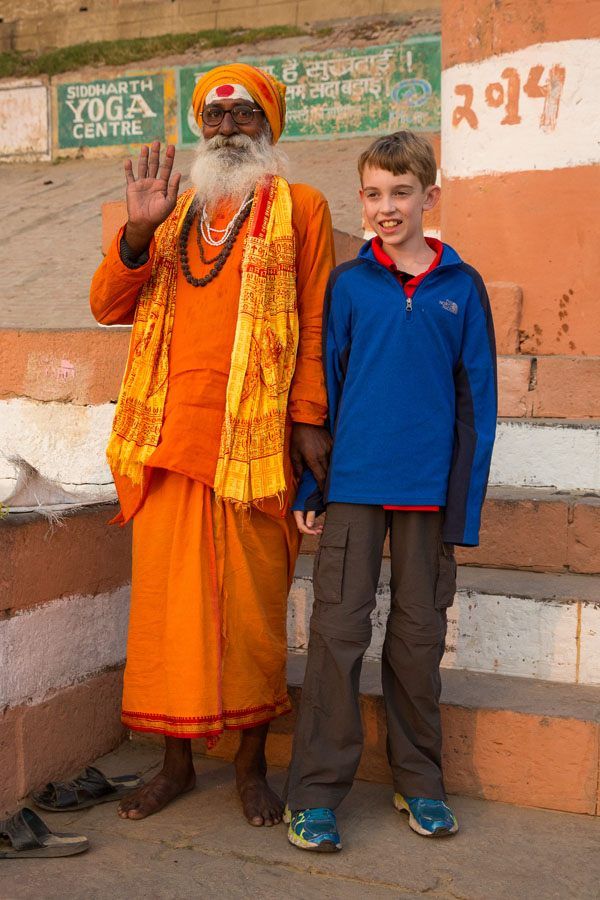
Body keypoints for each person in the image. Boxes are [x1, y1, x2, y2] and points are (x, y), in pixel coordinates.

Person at [90, 63, 335, 827]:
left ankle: (252, 767)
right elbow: (106, 306)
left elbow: (318, 322)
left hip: (256, 450)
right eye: (216, 114)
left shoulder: (303, 207)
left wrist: (307, 419)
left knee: (253, 619)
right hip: (166, 442)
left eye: (244, 113)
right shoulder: (159, 209)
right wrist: (136, 232)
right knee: (167, 621)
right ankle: (174, 766)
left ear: (270, 124)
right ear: (202, 126)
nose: (228, 126)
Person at [285, 131, 497, 851]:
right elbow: (326, 386)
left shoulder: (462, 289)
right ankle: (314, 795)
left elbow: (477, 405)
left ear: (430, 197)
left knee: (415, 640)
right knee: (338, 638)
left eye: (401, 193)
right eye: (373, 194)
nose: (386, 207)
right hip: (352, 490)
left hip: (428, 498)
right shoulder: (349, 285)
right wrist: (312, 482)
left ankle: (421, 782)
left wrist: (463, 510)